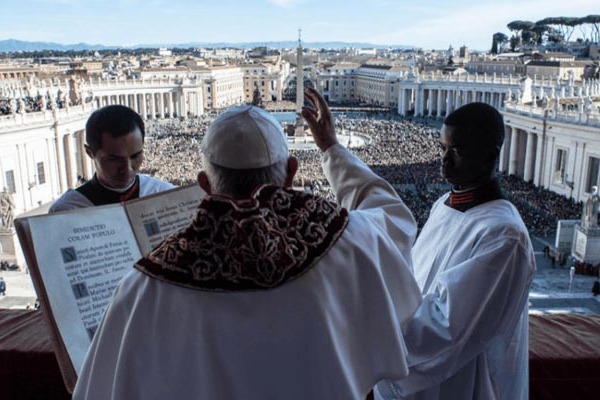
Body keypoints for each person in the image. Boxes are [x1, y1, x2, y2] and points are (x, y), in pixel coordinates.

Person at [73, 88, 422, 399]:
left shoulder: (145, 286)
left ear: (204, 185)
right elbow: (396, 220)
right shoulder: (348, 241)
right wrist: (331, 148)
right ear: (290, 173)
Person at [376, 102, 536, 400]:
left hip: (462, 384)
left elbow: (447, 327)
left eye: (457, 151)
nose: (444, 161)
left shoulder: (504, 235)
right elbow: (417, 277)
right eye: (442, 148)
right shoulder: (444, 204)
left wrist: (373, 328)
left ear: (490, 155)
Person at [49, 105, 174, 213]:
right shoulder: (65, 211)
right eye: (114, 159)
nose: (127, 169)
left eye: (135, 156)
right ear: (90, 152)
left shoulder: (166, 194)